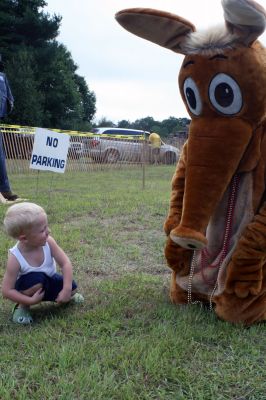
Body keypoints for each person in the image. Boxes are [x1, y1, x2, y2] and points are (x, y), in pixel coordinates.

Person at [2, 202, 84, 324]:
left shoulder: (49, 242)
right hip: (30, 287)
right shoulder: (15, 257)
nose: (48, 231)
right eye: (42, 230)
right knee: (37, 280)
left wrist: (66, 289)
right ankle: (22, 307)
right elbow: (6, 290)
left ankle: (66, 296)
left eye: (47, 226)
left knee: (72, 287)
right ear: (24, 238)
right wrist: (29, 301)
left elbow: (65, 263)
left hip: (49, 279)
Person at [0, 54, 19, 202]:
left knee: (1, 157)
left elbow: (10, 99)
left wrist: (6, 109)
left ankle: (5, 190)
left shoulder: (3, 77)